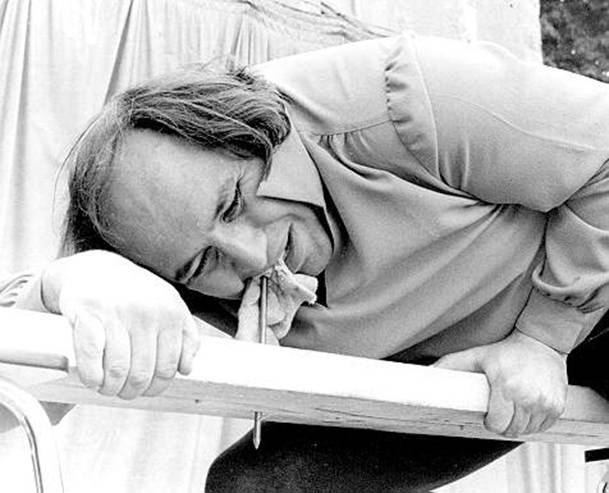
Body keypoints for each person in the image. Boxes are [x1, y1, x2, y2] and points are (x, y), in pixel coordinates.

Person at [3, 31, 609, 492]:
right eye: (201, 263)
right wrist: (72, 281)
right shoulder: (172, 265)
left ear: (252, 132)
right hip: (460, 373)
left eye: (234, 203)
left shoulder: (401, 95)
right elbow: (13, 403)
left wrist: (542, 339)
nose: (251, 255)